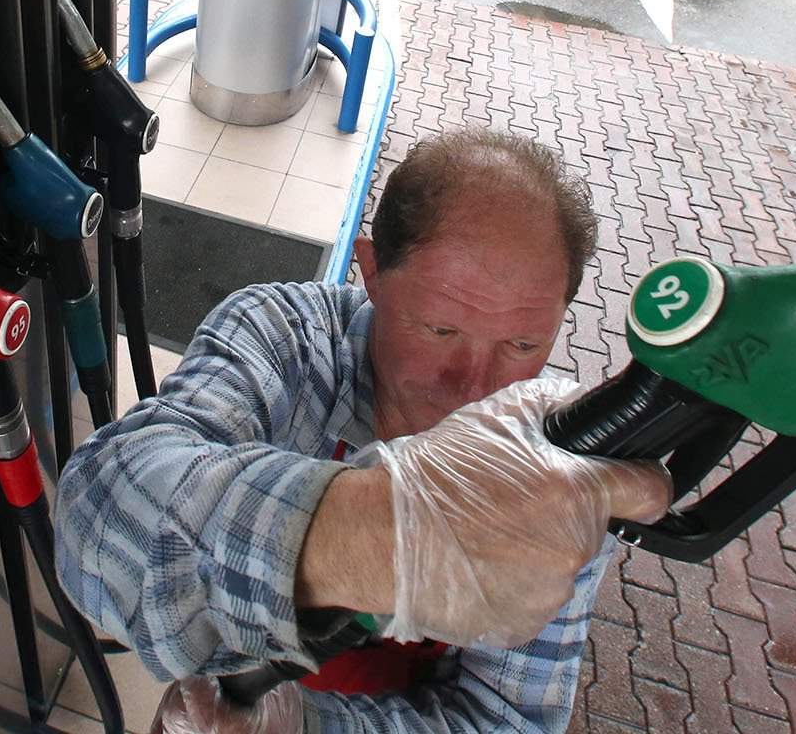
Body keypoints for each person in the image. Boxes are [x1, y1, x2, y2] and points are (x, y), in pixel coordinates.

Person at [55, 129, 673, 733]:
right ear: (371, 271)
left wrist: (302, 722)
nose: (476, 386)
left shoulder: (560, 472)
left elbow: (506, 718)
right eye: (440, 330)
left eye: (522, 343)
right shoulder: (286, 340)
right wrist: (369, 535)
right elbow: (96, 516)